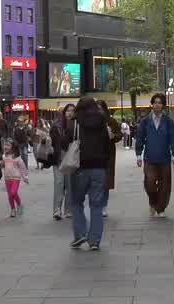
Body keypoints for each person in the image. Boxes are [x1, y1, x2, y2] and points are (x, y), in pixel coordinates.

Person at [68, 96, 110, 250]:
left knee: (76, 202)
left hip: (80, 168)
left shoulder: (75, 123)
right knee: (96, 205)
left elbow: (65, 141)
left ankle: (80, 233)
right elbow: (107, 144)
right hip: (99, 167)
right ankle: (94, 241)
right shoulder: (102, 122)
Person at [135, 92, 174, 217]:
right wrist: (138, 155)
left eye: (159, 103)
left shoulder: (168, 122)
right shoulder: (145, 122)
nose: (157, 105)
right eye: (155, 102)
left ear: (163, 105)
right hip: (149, 158)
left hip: (164, 158)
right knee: (150, 183)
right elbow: (140, 138)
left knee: (165, 185)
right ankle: (153, 202)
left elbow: (173, 138)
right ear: (152, 104)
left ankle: (161, 208)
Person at [49, 103, 76, 219]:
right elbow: (52, 142)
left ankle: (68, 210)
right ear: (64, 113)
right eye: (67, 111)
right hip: (59, 159)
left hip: (71, 159)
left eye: (72, 111)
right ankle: (57, 210)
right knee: (59, 183)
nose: (69, 113)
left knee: (70, 185)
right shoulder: (56, 126)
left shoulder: (77, 126)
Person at [98, 101, 122, 218]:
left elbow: (119, 134)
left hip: (108, 155)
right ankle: (96, 205)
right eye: (97, 109)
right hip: (94, 155)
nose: (99, 111)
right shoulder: (91, 121)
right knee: (96, 182)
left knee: (106, 182)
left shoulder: (111, 121)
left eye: (100, 108)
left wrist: (114, 136)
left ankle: (103, 206)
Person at [2, 140, 29, 217]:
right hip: (7, 178)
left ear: (13, 147)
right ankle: (13, 209)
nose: (6, 147)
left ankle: (19, 205)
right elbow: (3, 166)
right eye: (5, 145)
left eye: (8, 145)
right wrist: (1, 165)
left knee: (13, 193)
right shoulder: (4, 156)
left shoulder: (17, 157)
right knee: (10, 195)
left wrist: (25, 177)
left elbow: (22, 167)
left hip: (16, 178)